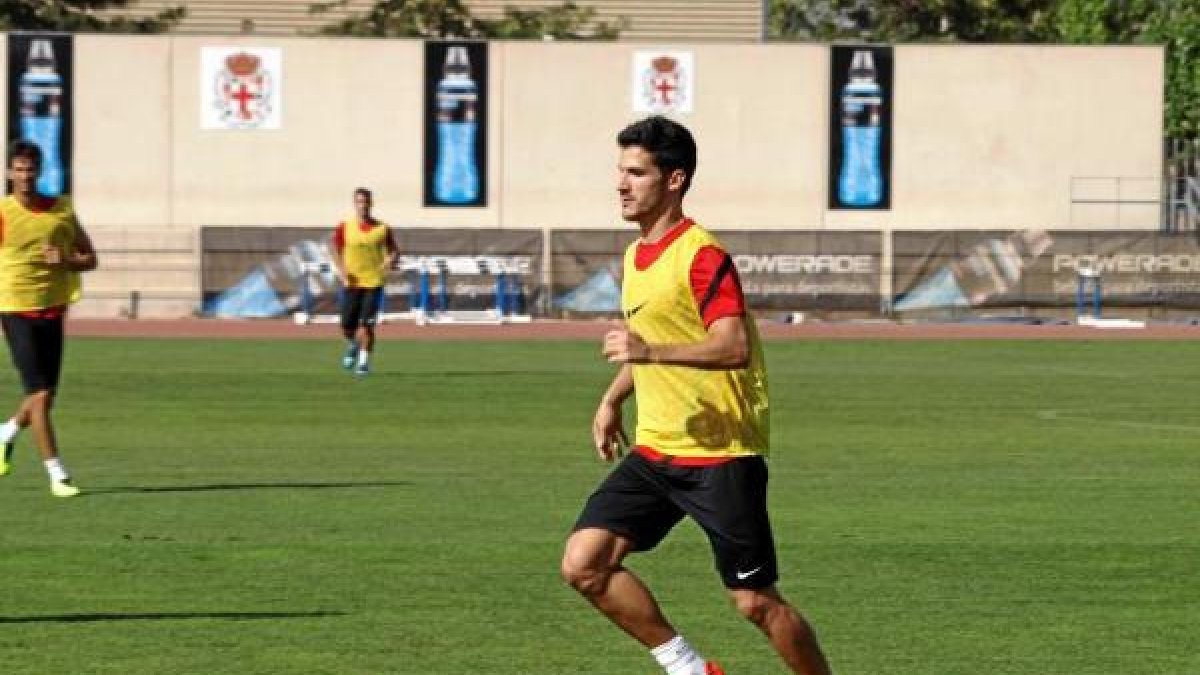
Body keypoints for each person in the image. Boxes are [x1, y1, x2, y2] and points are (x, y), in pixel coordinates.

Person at [560, 116, 833, 675]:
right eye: (621, 172)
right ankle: (689, 668)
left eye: (637, 173)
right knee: (584, 565)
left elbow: (730, 345)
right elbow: (658, 341)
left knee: (755, 603)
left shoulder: (702, 255)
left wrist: (648, 353)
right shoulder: (637, 258)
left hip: (720, 456)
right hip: (658, 451)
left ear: (675, 180)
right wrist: (614, 398)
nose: (622, 184)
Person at [0, 140, 98, 497]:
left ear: (40, 172)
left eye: (31, 170)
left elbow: (90, 258)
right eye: (19, 170)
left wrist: (66, 261)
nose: (25, 176)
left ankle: (7, 431)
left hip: (53, 308)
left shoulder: (61, 211)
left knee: (46, 396)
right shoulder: (3, 213)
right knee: (39, 393)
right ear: (10, 173)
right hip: (13, 308)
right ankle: (57, 474)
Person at [330, 187, 397, 377]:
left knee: (367, 325)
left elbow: (394, 251)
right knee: (346, 327)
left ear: (371, 203)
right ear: (355, 204)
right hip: (351, 283)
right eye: (359, 201)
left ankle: (363, 364)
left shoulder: (382, 228)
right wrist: (342, 271)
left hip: (374, 283)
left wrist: (391, 259)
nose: (363, 205)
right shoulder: (345, 226)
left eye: (366, 201)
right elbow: (334, 249)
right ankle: (353, 345)